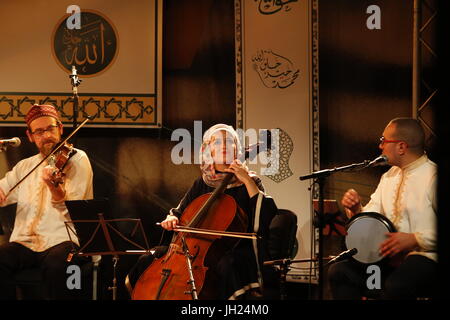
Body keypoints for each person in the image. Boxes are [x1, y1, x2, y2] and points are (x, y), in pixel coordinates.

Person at [126, 123, 278, 299]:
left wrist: (247, 180)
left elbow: (266, 216)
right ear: (209, 150)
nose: (223, 146)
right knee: (150, 258)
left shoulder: (250, 182)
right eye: (217, 142)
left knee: (228, 265)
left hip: (234, 249)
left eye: (229, 141)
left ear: (236, 148)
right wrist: (171, 219)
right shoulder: (202, 183)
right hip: (193, 249)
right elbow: (179, 212)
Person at [328, 117, 437, 300]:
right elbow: (372, 217)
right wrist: (356, 210)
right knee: (340, 272)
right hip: (385, 262)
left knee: (396, 285)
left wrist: (415, 238)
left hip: (425, 258)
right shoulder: (388, 177)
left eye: (384, 141)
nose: (380, 146)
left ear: (401, 147)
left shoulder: (432, 176)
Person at [0, 104, 94, 300]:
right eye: (39, 132)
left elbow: (74, 206)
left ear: (60, 128)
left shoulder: (77, 159)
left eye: (50, 128)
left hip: (61, 240)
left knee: (60, 265)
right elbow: (4, 190)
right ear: (31, 136)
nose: (46, 136)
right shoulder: (24, 166)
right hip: (25, 242)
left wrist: (54, 187)